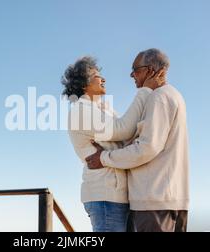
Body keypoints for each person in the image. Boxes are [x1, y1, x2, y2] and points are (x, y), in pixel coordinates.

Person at [85, 49, 190, 232]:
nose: (131, 74)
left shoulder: (159, 98)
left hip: (154, 203)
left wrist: (104, 158)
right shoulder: (172, 95)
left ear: (150, 70)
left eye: (136, 69)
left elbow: (146, 148)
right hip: (167, 200)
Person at [62, 56, 162, 232]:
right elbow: (124, 130)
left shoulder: (102, 110)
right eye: (96, 75)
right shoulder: (80, 111)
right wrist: (145, 90)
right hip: (105, 197)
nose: (103, 79)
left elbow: (128, 136)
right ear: (84, 84)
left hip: (116, 196)